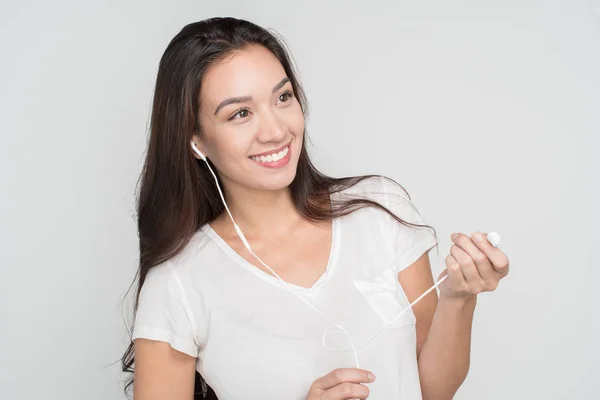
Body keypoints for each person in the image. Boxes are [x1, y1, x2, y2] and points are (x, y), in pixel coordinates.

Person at [121, 17, 510, 400]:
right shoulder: (179, 284)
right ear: (196, 141)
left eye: (283, 97)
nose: (275, 130)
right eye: (240, 113)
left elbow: (431, 391)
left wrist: (460, 297)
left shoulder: (379, 211)